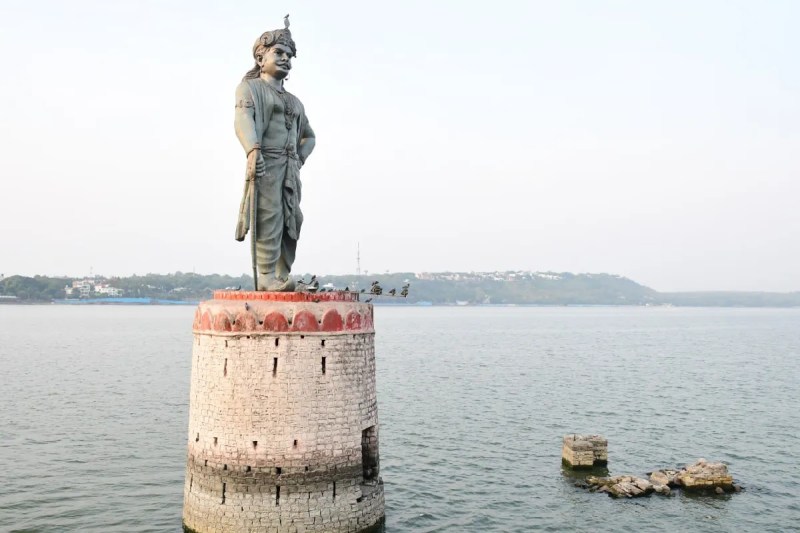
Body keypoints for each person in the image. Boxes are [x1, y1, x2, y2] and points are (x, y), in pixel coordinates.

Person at [234, 16, 316, 291]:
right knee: (268, 215)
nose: (285, 59)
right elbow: (243, 119)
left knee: (292, 218)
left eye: (289, 56)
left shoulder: (295, 102)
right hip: (265, 161)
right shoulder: (250, 89)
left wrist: (299, 158)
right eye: (278, 52)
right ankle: (267, 275)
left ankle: (282, 273)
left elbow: (309, 136)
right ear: (260, 58)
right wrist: (252, 150)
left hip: (290, 167)